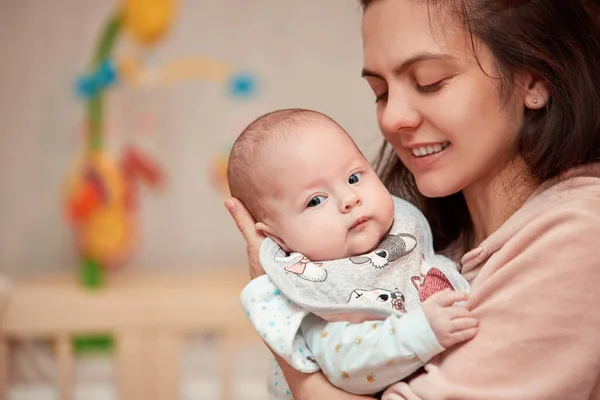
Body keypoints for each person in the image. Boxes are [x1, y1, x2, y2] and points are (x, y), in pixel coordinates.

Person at [225, 0, 600, 398]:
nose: (391, 119)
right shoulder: (434, 243)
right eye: (380, 92)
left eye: (429, 82)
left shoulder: (580, 233)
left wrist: (277, 315)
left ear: (534, 82)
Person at [227, 108, 474, 399]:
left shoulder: (405, 236)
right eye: (316, 200)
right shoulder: (315, 300)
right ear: (276, 237)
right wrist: (419, 334)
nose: (349, 199)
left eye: (355, 178)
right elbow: (346, 369)